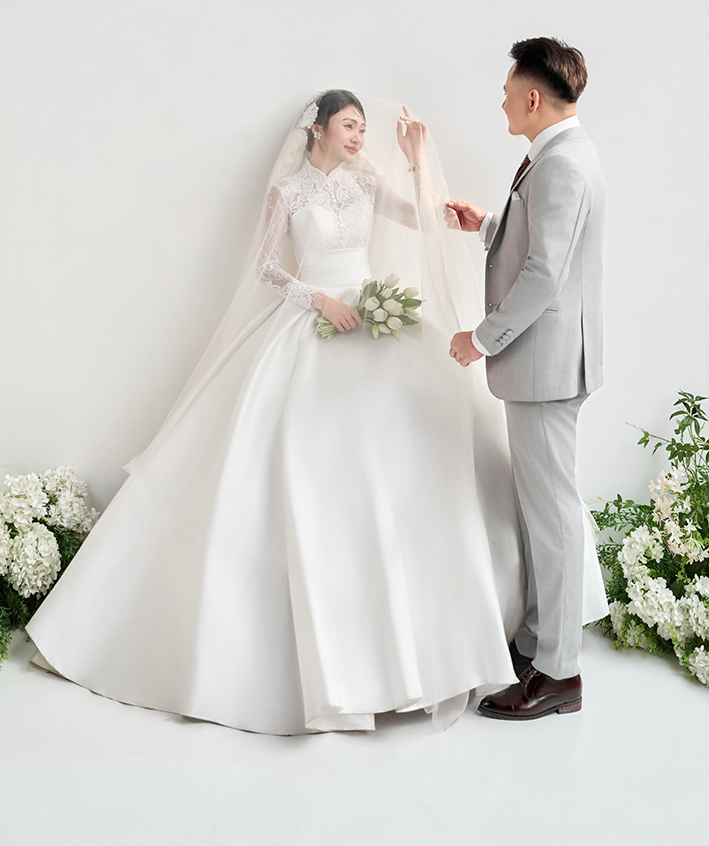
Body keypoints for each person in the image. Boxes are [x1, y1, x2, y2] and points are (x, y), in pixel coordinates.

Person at [27, 89, 538, 735]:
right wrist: (319, 299)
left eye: (362, 128)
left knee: (404, 448)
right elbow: (267, 267)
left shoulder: (367, 183)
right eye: (348, 125)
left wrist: (416, 157)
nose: (358, 136)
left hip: (373, 317)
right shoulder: (289, 192)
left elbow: (426, 218)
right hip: (313, 318)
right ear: (317, 128)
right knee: (286, 456)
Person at [448, 38, 606, 720]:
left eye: (509, 92)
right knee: (544, 512)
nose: (504, 103)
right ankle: (540, 640)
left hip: (546, 367)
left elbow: (544, 275)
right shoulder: (562, 152)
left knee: (553, 516)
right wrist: (486, 225)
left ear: (533, 97)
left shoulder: (562, 162)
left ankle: (559, 673)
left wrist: (481, 338)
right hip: (548, 363)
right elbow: (542, 246)